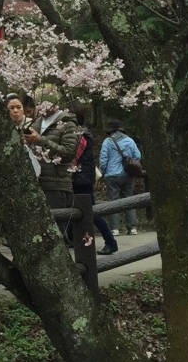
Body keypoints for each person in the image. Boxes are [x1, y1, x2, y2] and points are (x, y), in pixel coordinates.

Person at [21, 84, 79, 213]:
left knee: (58, 222)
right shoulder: (37, 122)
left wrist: (41, 141)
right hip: (36, 182)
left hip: (56, 185)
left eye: (42, 103)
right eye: (38, 103)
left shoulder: (67, 123)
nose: (40, 106)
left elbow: (69, 153)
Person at [71, 106, 117, 254]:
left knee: (91, 212)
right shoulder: (78, 133)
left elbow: (74, 158)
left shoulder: (80, 135)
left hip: (81, 180)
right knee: (81, 212)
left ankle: (110, 241)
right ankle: (79, 241)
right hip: (81, 178)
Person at [99, 119, 141, 235]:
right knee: (129, 200)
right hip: (127, 174)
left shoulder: (107, 142)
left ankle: (115, 229)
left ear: (110, 131)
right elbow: (138, 156)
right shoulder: (130, 140)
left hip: (112, 175)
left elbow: (103, 160)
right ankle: (132, 228)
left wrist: (103, 172)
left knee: (113, 201)